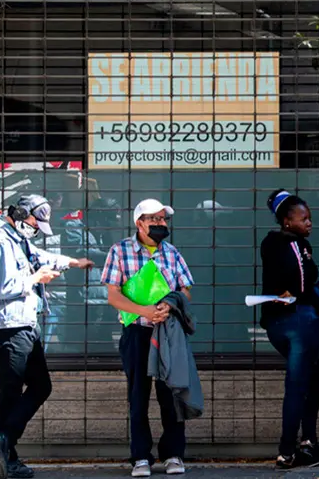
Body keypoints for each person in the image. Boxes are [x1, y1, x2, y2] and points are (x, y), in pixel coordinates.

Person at [0, 194, 93, 479]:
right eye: (34, 222)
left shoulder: (16, 239)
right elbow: (4, 287)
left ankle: (5, 447)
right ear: (19, 213)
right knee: (13, 391)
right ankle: (6, 447)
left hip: (24, 325)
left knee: (33, 387)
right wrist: (36, 278)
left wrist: (73, 262)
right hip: (9, 328)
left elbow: (41, 256)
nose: (35, 229)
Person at [101, 199, 194, 478]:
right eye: (155, 219)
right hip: (137, 333)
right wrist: (143, 310)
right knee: (138, 396)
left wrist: (169, 305)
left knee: (171, 394)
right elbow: (113, 295)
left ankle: (173, 454)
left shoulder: (172, 253)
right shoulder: (120, 251)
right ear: (139, 222)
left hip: (168, 333)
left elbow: (185, 290)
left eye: (164, 219)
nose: (161, 224)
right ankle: (140, 456)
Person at [260, 189, 319, 470]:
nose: (309, 223)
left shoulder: (269, 243)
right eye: (303, 218)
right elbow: (304, 283)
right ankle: (287, 451)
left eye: (309, 218)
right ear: (286, 222)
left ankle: (309, 443)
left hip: (276, 324)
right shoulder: (295, 244)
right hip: (299, 323)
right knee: (296, 385)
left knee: (312, 377)